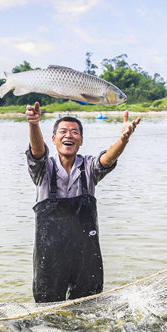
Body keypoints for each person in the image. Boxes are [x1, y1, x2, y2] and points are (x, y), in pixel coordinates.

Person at [25, 102, 141, 302]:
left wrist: (124, 139)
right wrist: (34, 124)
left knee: (89, 311)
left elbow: (107, 159)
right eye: (63, 131)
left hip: (86, 258)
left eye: (74, 132)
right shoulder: (44, 170)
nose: (68, 135)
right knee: (47, 313)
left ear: (81, 141)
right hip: (50, 259)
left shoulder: (88, 167)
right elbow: (37, 151)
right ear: (53, 139)